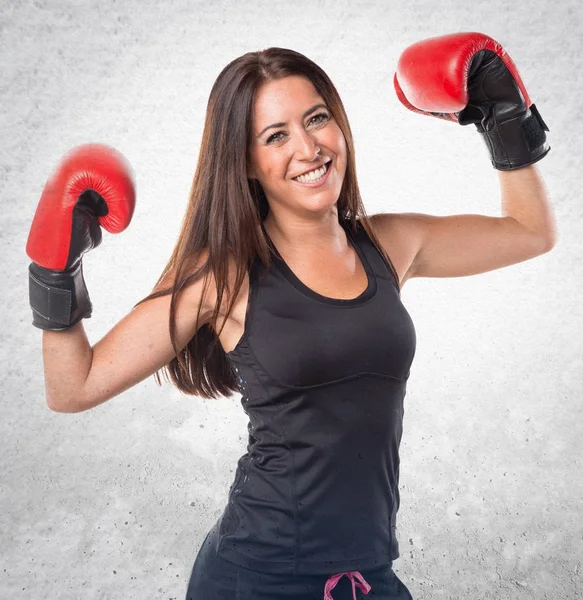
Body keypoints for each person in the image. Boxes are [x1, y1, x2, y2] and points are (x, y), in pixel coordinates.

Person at [26, 32, 556, 600]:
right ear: (247, 164)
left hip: (366, 573)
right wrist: (54, 273)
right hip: (256, 577)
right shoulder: (223, 277)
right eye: (276, 136)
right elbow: (72, 387)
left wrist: (503, 117)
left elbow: (530, 232)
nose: (309, 148)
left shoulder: (390, 245)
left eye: (317, 118)